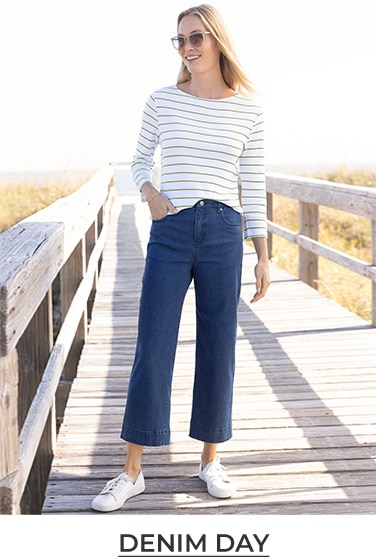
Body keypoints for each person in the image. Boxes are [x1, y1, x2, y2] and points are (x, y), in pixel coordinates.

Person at [92, 3, 270, 512]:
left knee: (218, 347)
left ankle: (210, 460)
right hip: (170, 231)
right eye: (180, 40)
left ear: (217, 41)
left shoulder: (250, 109)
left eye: (196, 38)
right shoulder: (162, 100)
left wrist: (261, 254)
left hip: (222, 232)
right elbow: (138, 159)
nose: (187, 48)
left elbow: (252, 185)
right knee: (154, 343)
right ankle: (132, 471)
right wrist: (149, 194)